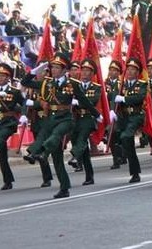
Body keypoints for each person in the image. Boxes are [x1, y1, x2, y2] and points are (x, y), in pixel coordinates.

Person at [22, 54, 100, 199]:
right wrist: (35, 70)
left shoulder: (72, 84)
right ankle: (64, 187)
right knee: (57, 158)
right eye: (52, 67)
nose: (54, 70)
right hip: (50, 118)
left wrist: (96, 114)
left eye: (57, 68)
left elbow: (84, 100)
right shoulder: (47, 83)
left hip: (65, 118)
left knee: (56, 135)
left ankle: (42, 153)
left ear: (65, 70)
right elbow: (25, 82)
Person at [110, 58, 145, 184]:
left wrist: (124, 99)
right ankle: (120, 152)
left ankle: (133, 171)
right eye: (128, 69)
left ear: (137, 72)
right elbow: (113, 98)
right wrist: (112, 110)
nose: (130, 72)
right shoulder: (120, 85)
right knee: (112, 132)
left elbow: (140, 98)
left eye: (133, 70)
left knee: (126, 136)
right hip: (123, 116)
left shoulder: (142, 84)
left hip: (136, 116)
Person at [68, 59, 101, 186]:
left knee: (82, 138)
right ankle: (89, 176)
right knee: (83, 147)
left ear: (92, 74)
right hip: (76, 118)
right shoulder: (75, 85)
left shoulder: (96, 87)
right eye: (84, 70)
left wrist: (79, 102)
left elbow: (92, 101)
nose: (85, 73)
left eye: (88, 71)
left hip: (88, 118)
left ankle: (75, 156)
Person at [22, 61, 53, 188]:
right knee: (41, 153)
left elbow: (50, 103)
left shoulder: (51, 85)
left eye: (43, 71)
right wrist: (24, 114)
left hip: (48, 121)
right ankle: (46, 178)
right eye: (39, 71)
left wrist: (34, 104)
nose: (41, 74)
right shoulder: (33, 87)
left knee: (46, 150)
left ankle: (32, 153)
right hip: (36, 122)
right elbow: (24, 82)